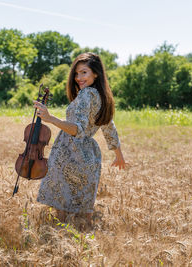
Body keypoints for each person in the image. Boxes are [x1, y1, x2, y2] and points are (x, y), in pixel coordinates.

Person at [33, 52, 126, 225]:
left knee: (62, 207)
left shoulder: (86, 95)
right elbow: (109, 128)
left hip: (69, 152)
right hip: (88, 156)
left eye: (84, 72)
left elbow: (78, 130)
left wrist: (50, 118)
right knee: (81, 210)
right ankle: (83, 238)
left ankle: (60, 240)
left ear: (95, 73)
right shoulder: (101, 96)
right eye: (77, 73)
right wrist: (119, 155)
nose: (78, 77)